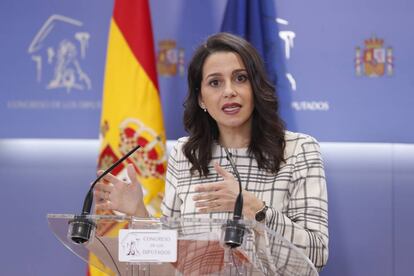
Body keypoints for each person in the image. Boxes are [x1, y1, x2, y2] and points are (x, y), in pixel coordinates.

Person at [94, 32, 328, 271]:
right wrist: (139, 212)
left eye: (240, 78)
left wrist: (254, 209)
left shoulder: (299, 150)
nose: (229, 91)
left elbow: (316, 254)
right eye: (215, 82)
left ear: (255, 88)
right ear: (201, 99)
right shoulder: (186, 154)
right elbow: (168, 257)